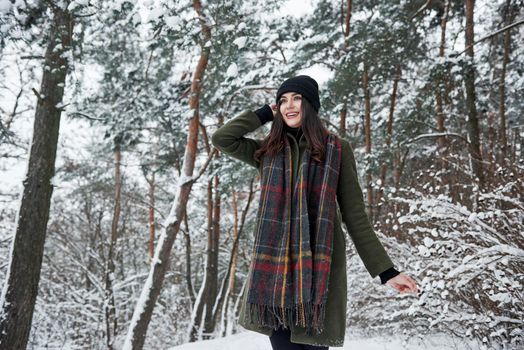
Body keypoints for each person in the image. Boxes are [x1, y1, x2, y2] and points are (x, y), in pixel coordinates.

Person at [211, 75, 419, 350]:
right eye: (282, 101)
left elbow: (355, 217)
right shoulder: (267, 151)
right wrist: (264, 113)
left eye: (296, 98)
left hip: (319, 276)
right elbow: (222, 138)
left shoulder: (336, 150)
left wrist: (387, 272)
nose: (289, 106)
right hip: (277, 277)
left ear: (311, 104)